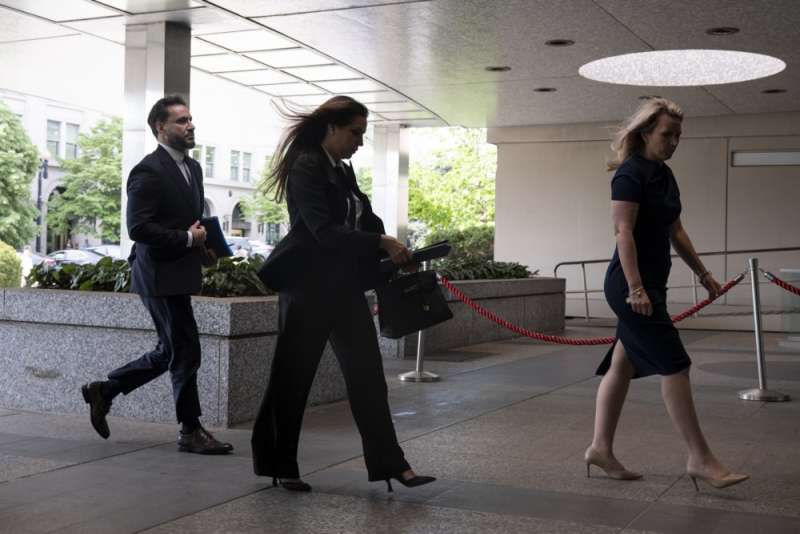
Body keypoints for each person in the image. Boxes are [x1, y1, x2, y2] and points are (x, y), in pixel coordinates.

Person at [251, 95, 435, 493]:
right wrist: (380, 243)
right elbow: (323, 231)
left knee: (368, 377)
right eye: (355, 133)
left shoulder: (341, 170)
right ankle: (278, 464)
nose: (360, 142)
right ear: (331, 127)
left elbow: (364, 222)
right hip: (307, 288)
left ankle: (392, 464)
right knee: (292, 378)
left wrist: (396, 252)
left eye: (363, 134)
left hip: (344, 288)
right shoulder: (306, 166)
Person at [586, 97, 748, 491]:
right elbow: (622, 232)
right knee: (676, 364)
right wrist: (636, 288)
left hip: (652, 284)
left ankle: (600, 448)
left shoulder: (665, 174)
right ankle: (700, 458)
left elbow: (676, 231)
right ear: (645, 133)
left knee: (622, 364)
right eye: (666, 134)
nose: (673, 142)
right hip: (630, 285)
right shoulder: (629, 174)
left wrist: (704, 274)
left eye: (678, 135)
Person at [81, 95, 231, 455]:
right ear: (160, 127)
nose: (190, 125)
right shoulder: (148, 170)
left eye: (190, 119)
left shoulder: (193, 168)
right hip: (158, 274)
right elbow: (138, 227)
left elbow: (192, 221)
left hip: (180, 271)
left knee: (170, 351)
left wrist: (206, 245)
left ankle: (105, 390)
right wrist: (187, 239)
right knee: (186, 350)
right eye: (181, 120)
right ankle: (190, 430)